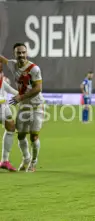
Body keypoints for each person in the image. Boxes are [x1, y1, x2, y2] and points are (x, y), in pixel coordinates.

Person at [0, 42, 44, 172]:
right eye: (18, 53)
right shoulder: (13, 65)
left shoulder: (34, 69)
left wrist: (20, 97)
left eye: (23, 52)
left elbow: (38, 88)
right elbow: (2, 59)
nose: (21, 55)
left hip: (36, 106)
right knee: (20, 135)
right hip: (24, 106)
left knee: (34, 136)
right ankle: (26, 158)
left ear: (27, 53)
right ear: (15, 54)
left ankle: (33, 163)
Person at [0, 63, 19, 171]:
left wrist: (21, 95)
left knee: (11, 127)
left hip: (3, 107)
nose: (1, 65)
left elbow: (7, 88)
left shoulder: (2, 76)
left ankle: (5, 160)